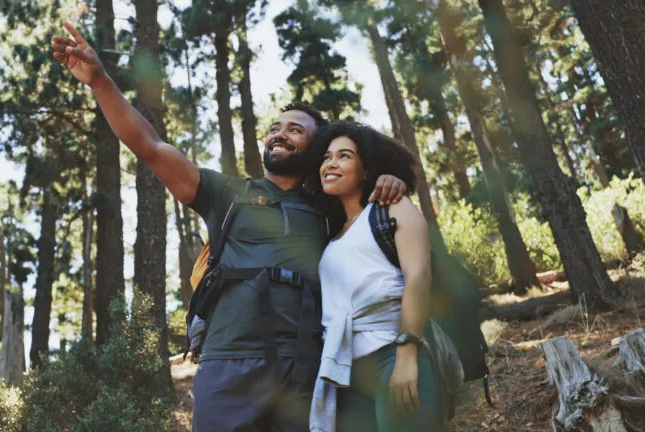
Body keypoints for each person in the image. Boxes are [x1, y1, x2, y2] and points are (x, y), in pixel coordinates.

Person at [50, 22, 407, 431]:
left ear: (316, 148)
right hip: (228, 362)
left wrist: (388, 180)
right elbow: (150, 146)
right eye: (275, 127)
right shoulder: (227, 193)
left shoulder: (330, 206)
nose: (280, 134)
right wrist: (100, 81)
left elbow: (376, 224)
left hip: (304, 366)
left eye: (295, 130)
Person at [306, 122, 444, 432]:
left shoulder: (390, 208)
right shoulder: (332, 234)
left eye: (344, 156)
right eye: (327, 157)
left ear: (366, 169)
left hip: (391, 357)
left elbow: (419, 277)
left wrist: (407, 356)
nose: (331, 163)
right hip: (346, 374)